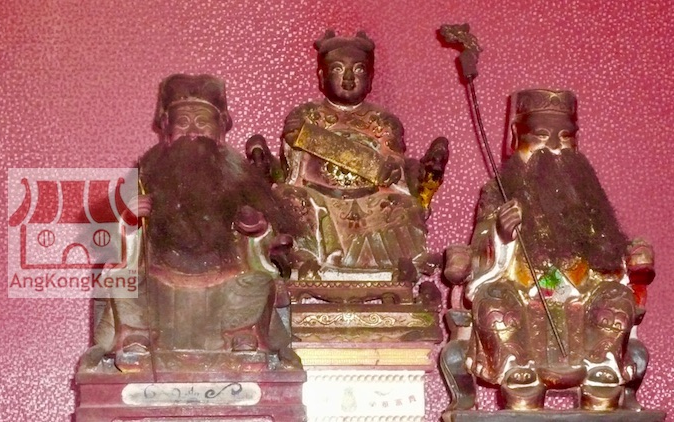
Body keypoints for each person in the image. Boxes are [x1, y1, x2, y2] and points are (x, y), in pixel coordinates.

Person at [448, 89, 654, 410]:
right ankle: (518, 372)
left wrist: (615, 251)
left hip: (582, 288)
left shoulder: (586, 192)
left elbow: (607, 248)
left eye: (565, 137)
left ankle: (601, 369)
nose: (554, 146)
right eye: (541, 136)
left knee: (616, 299)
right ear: (516, 137)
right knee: (493, 303)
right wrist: (501, 233)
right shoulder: (498, 191)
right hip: (522, 288)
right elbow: (480, 250)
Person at [82, 74, 299, 372]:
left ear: (220, 129)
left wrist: (255, 226)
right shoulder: (148, 173)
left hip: (226, 275)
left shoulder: (238, 175)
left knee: (258, 281)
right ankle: (137, 337)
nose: (193, 130)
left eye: (203, 121)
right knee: (125, 282)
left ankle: (242, 335)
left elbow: (270, 231)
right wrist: (127, 216)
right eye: (183, 122)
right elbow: (99, 230)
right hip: (158, 276)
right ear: (166, 128)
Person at [267, 30, 447, 283]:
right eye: (338, 69)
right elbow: (292, 167)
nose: (349, 78)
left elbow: (394, 162)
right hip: (318, 198)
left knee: (405, 206)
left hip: (371, 199)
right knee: (288, 198)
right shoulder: (306, 116)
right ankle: (306, 260)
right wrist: (297, 140)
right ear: (322, 76)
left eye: (359, 70)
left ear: (370, 78)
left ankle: (403, 268)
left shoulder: (383, 121)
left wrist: (392, 168)